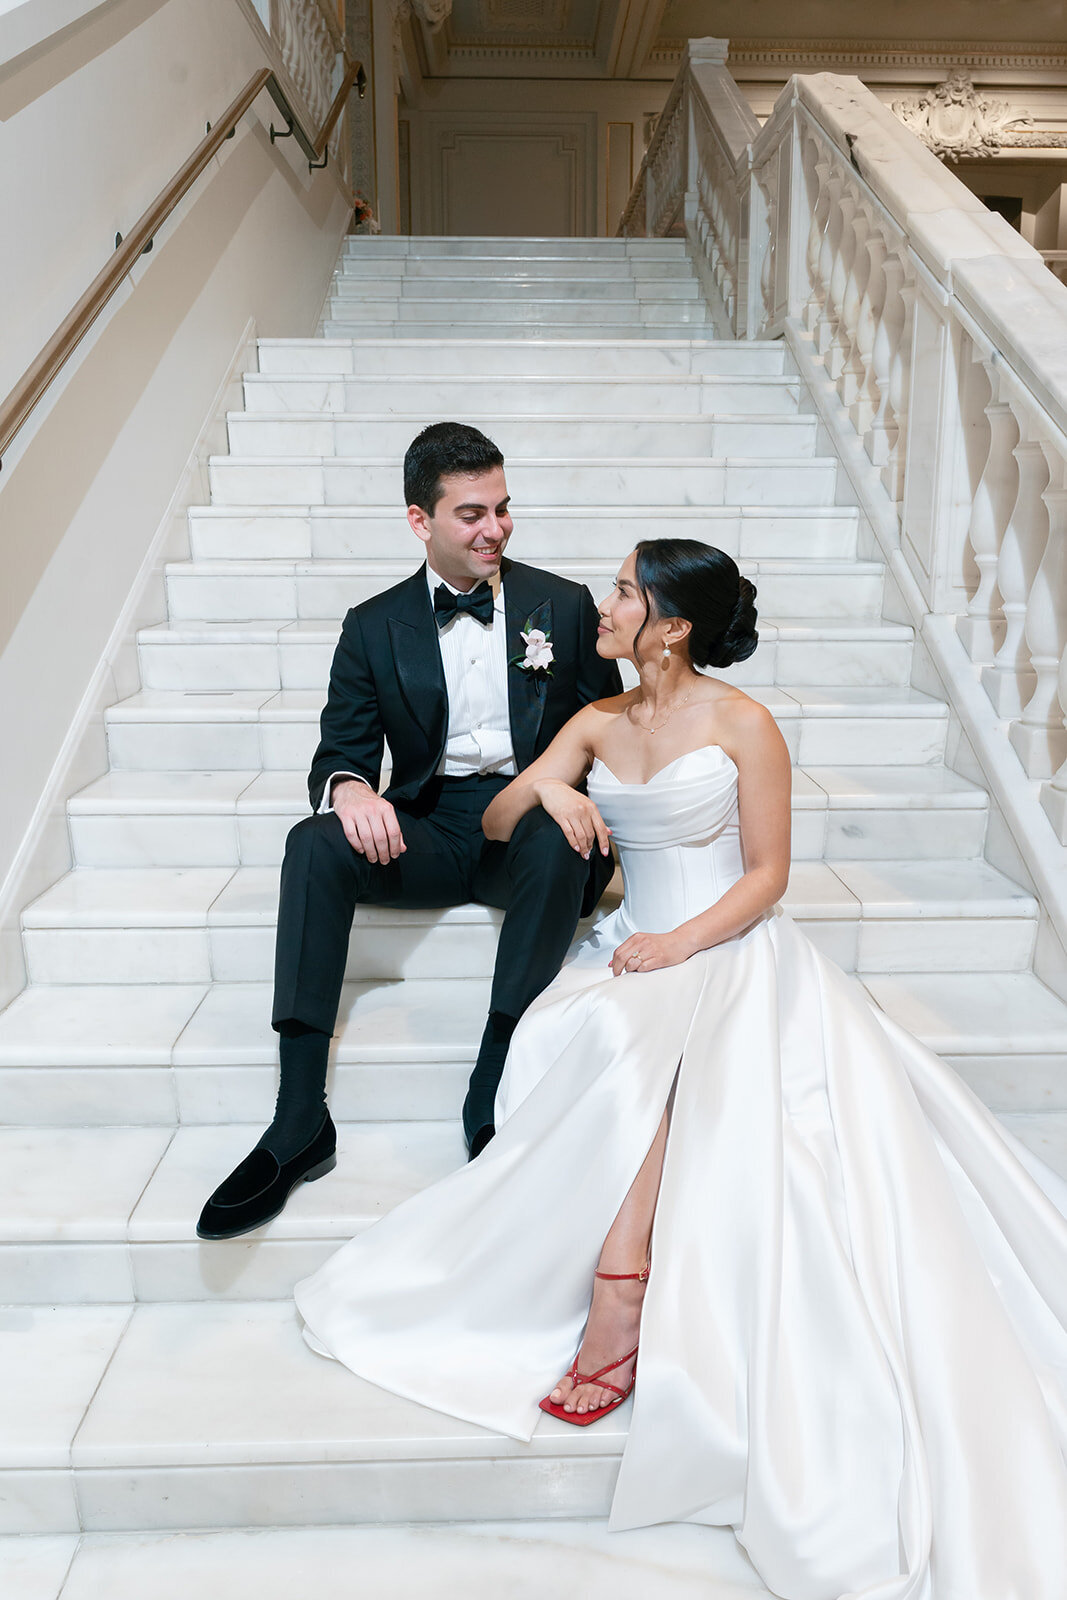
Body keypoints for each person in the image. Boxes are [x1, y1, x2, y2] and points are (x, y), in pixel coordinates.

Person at [293, 538, 1067, 1600]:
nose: (601, 606)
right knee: (597, 1034)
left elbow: (767, 875)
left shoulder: (743, 723)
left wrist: (680, 942)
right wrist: (551, 796)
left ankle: (620, 1285)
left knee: (670, 1035)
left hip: (724, 943)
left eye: (621, 592)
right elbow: (495, 819)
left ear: (671, 625)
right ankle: (601, 1275)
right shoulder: (596, 721)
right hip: (632, 948)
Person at [196, 422, 621, 1240]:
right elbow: (341, 748)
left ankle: (494, 1079)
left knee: (556, 835)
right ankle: (298, 1119)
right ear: (419, 520)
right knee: (312, 843)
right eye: (471, 514)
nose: (495, 529)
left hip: (529, 817)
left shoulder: (563, 606)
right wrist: (353, 788)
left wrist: (563, 787)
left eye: (502, 508)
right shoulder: (372, 624)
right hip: (425, 823)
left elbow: (610, 725)